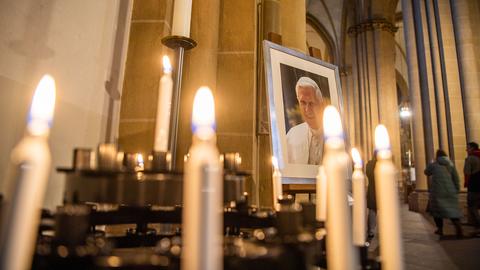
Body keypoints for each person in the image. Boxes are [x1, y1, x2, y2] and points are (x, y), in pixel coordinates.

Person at [286, 77, 326, 165]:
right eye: (303, 103)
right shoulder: (292, 136)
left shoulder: (335, 137)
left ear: (321, 104)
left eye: (311, 103)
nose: (307, 110)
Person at [424, 150, 463, 237]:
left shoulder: (434, 165)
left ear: (437, 156)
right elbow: (456, 178)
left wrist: (431, 163)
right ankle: (458, 227)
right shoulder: (451, 164)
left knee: (437, 212)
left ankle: (440, 229)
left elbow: (426, 172)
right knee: (452, 211)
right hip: (450, 191)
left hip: (438, 192)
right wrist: (457, 189)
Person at [464, 142, 480, 232]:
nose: (466, 150)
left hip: (474, 185)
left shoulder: (470, 159)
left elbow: (467, 173)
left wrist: (466, 183)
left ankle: (478, 227)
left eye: (468, 148)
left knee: (472, 207)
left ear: (473, 148)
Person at [365, 152, 377, 239]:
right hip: (375, 190)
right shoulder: (371, 164)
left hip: (372, 190)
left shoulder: (370, 164)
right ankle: (371, 230)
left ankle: (371, 230)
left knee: (372, 211)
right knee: (373, 211)